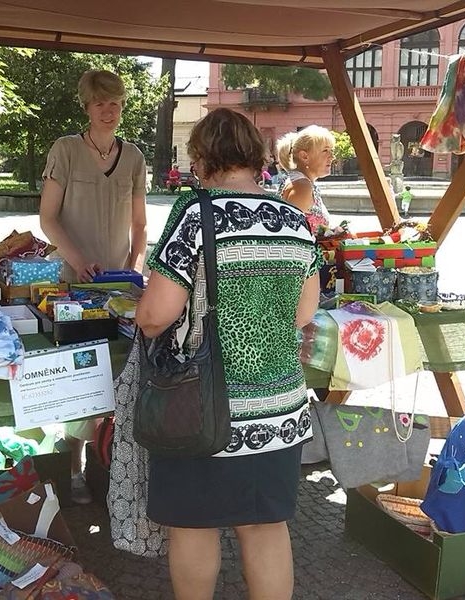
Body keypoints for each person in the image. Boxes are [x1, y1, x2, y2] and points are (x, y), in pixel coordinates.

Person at [136, 108, 321, 600]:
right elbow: (304, 312)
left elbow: (156, 313)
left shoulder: (196, 213)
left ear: (201, 158)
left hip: (202, 410)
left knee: (194, 528)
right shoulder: (294, 220)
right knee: (265, 528)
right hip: (280, 409)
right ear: (256, 158)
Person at [39, 69, 147, 504]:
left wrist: (133, 268)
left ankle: (108, 464)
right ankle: (70, 468)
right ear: (86, 107)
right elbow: (47, 218)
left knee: (119, 375)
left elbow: (140, 225)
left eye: (116, 103)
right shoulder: (65, 150)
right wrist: (79, 262)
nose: (110, 111)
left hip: (119, 289)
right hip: (72, 287)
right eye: (101, 103)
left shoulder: (135, 155)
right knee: (78, 378)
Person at [275, 125, 335, 236]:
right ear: (304, 156)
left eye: (331, 151)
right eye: (325, 150)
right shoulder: (302, 187)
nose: (332, 157)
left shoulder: (300, 182)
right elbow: (292, 235)